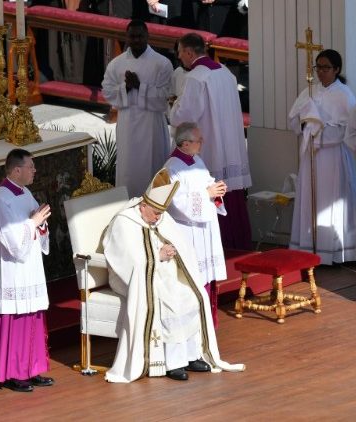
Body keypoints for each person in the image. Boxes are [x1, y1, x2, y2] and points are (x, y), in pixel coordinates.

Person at [102, 169, 245, 383]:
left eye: (161, 214)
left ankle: (190, 355)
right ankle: (171, 363)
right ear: (143, 207)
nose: (159, 218)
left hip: (163, 271)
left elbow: (179, 243)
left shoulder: (160, 216)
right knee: (171, 300)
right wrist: (158, 256)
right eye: (155, 214)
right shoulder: (125, 221)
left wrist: (173, 252)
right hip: (136, 277)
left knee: (192, 295)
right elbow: (125, 259)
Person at [169, 32, 253, 251]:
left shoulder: (196, 77)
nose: (180, 58)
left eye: (180, 53)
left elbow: (185, 116)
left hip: (210, 145)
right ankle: (239, 243)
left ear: (189, 52)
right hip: (229, 143)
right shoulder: (225, 73)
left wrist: (174, 106)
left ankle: (220, 246)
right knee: (231, 194)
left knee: (213, 190)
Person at [0, 149, 54, 392]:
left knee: (32, 319)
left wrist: (40, 223)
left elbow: (34, 222)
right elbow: (12, 241)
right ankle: (13, 373)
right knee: (17, 321)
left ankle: (31, 370)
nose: (35, 170)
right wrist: (33, 222)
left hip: (28, 270)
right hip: (11, 273)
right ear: (16, 170)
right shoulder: (0, 200)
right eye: (31, 166)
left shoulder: (23, 192)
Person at [287, 49, 356, 264]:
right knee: (310, 197)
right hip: (311, 154)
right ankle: (309, 246)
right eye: (318, 67)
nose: (321, 72)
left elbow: (349, 128)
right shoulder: (309, 91)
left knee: (331, 198)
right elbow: (293, 120)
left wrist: (319, 128)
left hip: (332, 154)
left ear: (337, 69)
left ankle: (333, 250)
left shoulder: (344, 94)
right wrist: (307, 123)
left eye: (326, 68)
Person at [164, 122, 228, 329]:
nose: (202, 143)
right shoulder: (172, 168)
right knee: (195, 278)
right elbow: (178, 201)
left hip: (205, 228)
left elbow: (206, 183)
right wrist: (207, 194)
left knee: (207, 277)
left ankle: (208, 322)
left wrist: (217, 190)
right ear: (184, 144)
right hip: (188, 230)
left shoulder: (196, 160)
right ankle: (195, 326)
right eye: (198, 140)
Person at [102, 20, 173, 198]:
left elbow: (166, 96)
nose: (136, 40)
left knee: (152, 168)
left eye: (140, 36)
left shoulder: (161, 63)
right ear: (126, 37)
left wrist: (140, 87)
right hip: (127, 124)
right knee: (128, 168)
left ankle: (155, 206)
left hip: (152, 124)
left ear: (147, 36)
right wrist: (125, 88)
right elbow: (107, 91)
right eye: (132, 36)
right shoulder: (116, 64)